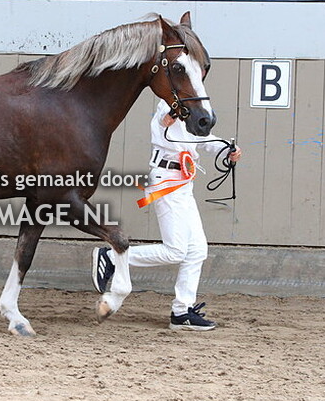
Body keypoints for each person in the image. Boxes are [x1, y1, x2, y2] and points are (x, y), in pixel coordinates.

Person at [92, 100, 241, 331]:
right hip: (166, 180)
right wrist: (167, 121)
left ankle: (182, 311)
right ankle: (112, 257)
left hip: (183, 182)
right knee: (176, 251)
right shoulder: (169, 103)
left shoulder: (196, 103)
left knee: (198, 249)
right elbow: (162, 124)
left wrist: (226, 149)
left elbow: (202, 137)